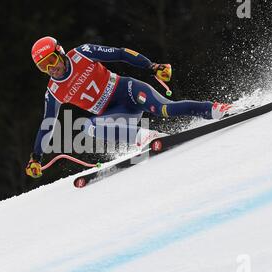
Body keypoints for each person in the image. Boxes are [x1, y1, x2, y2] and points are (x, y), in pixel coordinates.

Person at [26, 36, 231, 178]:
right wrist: (36, 158)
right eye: (43, 66)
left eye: (51, 60)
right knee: (88, 127)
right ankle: (146, 137)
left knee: (166, 109)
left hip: (129, 91)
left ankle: (214, 109)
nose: (51, 68)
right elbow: (48, 124)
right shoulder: (53, 91)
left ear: (60, 52)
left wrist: (152, 67)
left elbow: (121, 54)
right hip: (116, 114)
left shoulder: (83, 53)